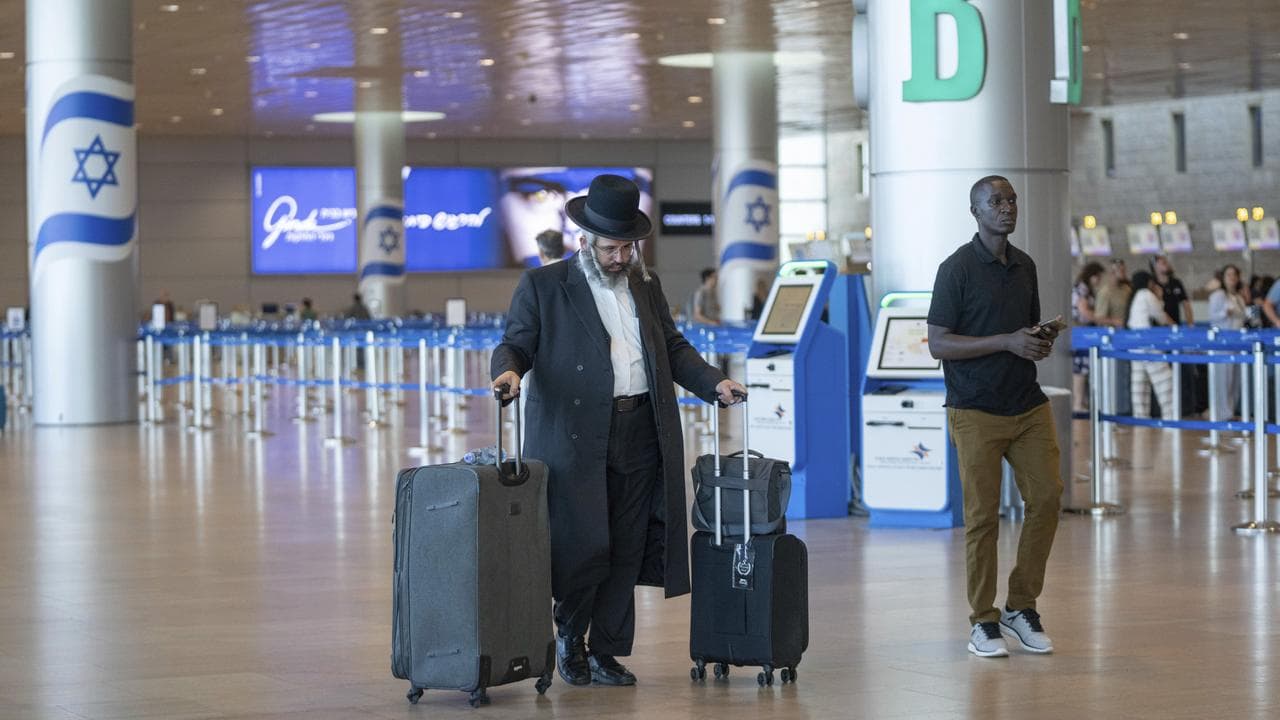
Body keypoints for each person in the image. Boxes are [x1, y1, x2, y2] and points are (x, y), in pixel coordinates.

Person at [491, 174, 747, 688]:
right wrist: (509, 371)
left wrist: (713, 382)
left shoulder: (645, 286)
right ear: (584, 241)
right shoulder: (545, 286)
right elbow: (516, 342)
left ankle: (606, 649)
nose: (621, 256)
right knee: (585, 543)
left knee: (626, 545)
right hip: (576, 438)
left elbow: (673, 349)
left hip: (641, 431)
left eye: (629, 247)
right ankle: (569, 635)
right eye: (612, 248)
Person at [926, 175, 1063, 659]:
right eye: (995, 202)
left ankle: (1020, 607)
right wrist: (1006, 341)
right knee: (982, 518)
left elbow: (1025, 331)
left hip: (1026, 404)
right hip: (974, 410)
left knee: (1047, 499)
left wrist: (1036, 342)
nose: (1007, 208)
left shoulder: (1024, 266)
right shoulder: (956, 269)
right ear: (975, 211)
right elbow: (938, 343)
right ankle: (982, 620)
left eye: (1011, 200)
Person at [1126, 270, 1176, 419]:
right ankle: (1170, 417)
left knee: (1140, 387)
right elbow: (1160, 316)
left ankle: (1141, 420)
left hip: (1135, 347)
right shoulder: (1146, 294)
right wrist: (1160, 297)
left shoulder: (1134, 296)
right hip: (1148, 345)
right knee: (1164, 382)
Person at [1208, 264, 1247, 419]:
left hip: (1237, 341)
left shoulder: (1238, 297)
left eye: (1234, 275)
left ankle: (1231, 410)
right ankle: (1222, 412)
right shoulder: (1218, 296)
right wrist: (1225, 312)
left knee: (1235, 379)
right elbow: (1212, 317)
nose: (1232, 278)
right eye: (1228, 275)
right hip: (1223, 342)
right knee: (1223, 379)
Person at [1070, 262, 1107, 412]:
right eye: (1098, 277)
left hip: (1085, 332)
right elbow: (1085, 313)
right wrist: (1107, 320)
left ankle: (1081, 401)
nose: (1099, 281)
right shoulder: (1082, 289)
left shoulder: (1086, 289)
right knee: (1080, 369)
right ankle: (1078, 403)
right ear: (1093, 276)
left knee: (1083, 368)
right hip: (1082, 332)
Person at [1151, 254, 1193, 325]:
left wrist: (1190, 323)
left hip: (1176, 326)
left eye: (1167, 262)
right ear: (1155, 267)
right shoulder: (1152, 284)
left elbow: (1186, 304)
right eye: (1163, 263)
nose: (1167, 265)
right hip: (1157, 328)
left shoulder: (1176, 283)